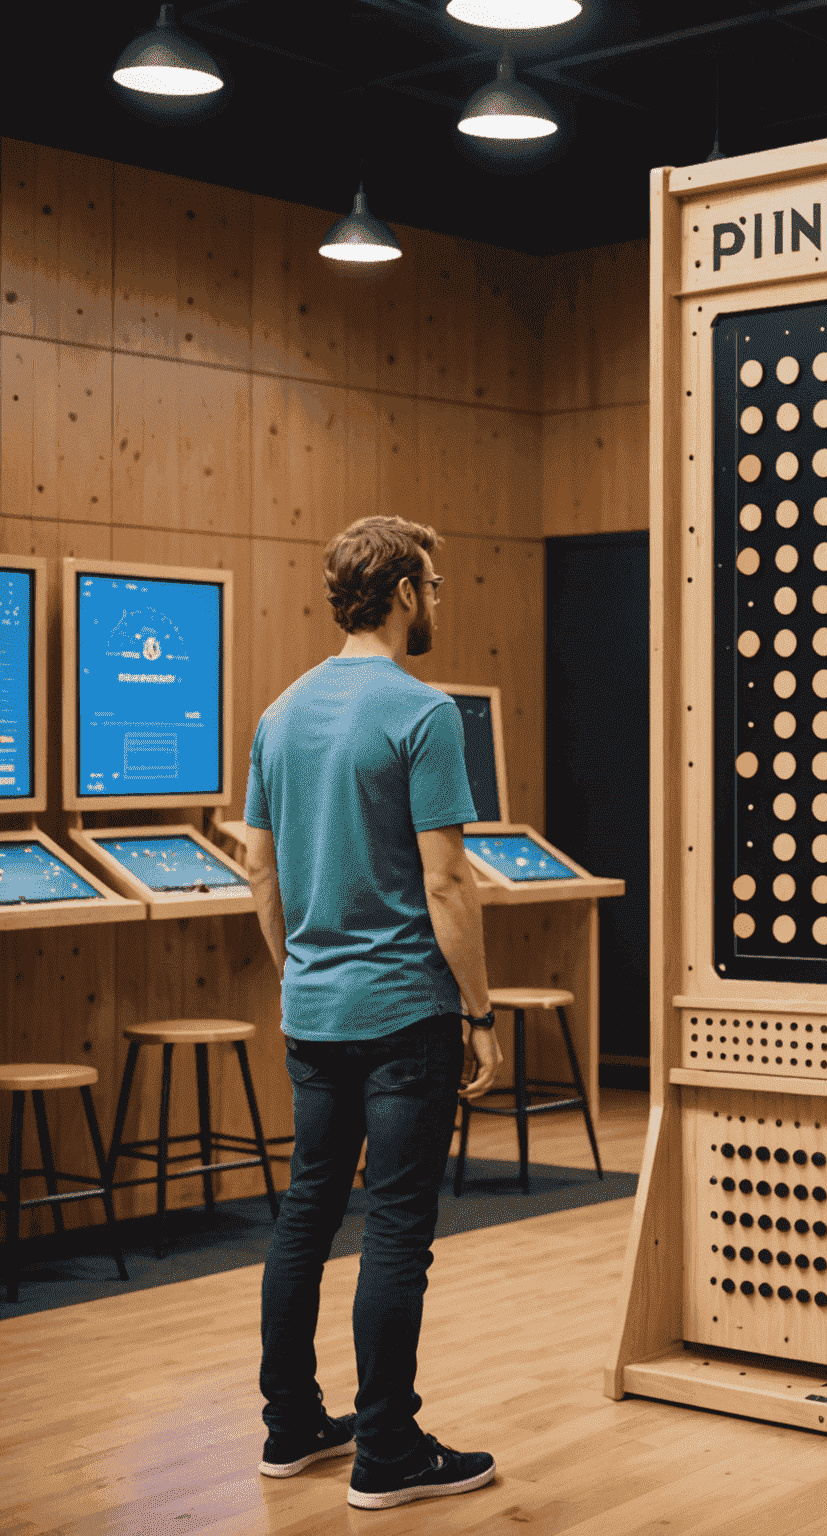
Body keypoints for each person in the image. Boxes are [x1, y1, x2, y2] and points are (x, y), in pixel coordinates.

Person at [245, 515, 506, 1511]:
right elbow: (448, 883)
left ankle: (290, 1426)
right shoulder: (423, 712)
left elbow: (259, 867)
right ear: (401, 592)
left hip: (312, 1013)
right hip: (405, 1017)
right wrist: (479, 1012)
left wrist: (300, 968)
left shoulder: (279, 713)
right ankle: (387, 1452)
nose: (438, 601)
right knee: (396, 1230)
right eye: (431, 585)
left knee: (305, 1215)